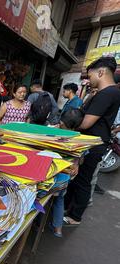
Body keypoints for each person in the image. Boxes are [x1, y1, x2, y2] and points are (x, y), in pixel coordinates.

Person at [64, 57, 120, 226]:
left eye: (91, 75)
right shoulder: (108, 93)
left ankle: (75, 216)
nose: (89, 80)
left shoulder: (107, 93)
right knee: (79, 178)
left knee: (82, 180)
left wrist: (67, 126)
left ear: (101, 72)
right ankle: (69, 208)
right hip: (93, 142)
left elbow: (86, 122)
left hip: (93, 144)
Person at [50, 109, 84, 237]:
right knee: (59, 200)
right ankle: (58, 229)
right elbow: (81, 159)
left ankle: (37, 224)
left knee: (43, 199)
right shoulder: (80, 138)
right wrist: (75, 163)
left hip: (53, 175)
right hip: (66, 177)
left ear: (62, 122)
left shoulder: (55, 134)